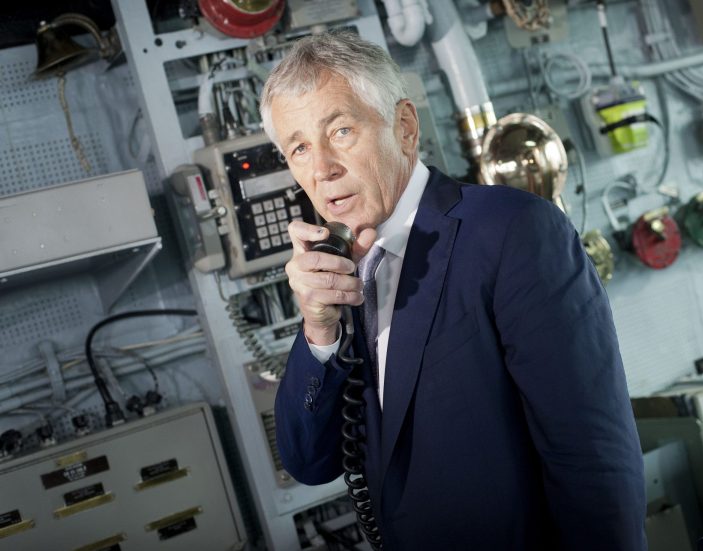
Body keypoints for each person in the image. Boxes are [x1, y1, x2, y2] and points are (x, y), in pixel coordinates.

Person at [260, 30, 646, 550]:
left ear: (404, 126)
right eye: (299, 148)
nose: (321, 168)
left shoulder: (512, 231)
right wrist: (318, 330)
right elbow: (309, 462)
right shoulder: (338, 273)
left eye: (342, 131)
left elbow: (592, 455)